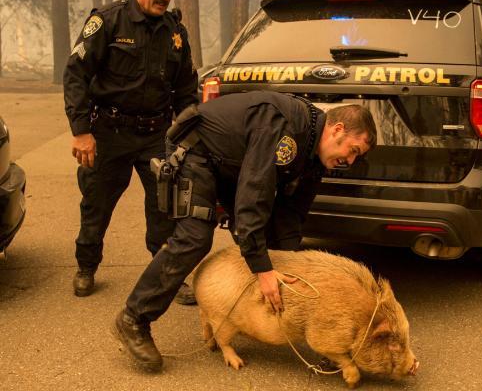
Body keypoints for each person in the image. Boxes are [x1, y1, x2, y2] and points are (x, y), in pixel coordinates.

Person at [112, 91, 377, 371]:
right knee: (194, 238)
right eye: (353, 150)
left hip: (230, 164)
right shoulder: (284, 129)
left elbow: (291, 216)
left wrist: (287, 273)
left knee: (267, 240)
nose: (349, 161)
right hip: (197, 152)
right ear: (337, 130)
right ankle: (133, 319)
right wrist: (263, 270)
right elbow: (254, 195)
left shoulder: (314, 154)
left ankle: (252, 313)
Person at [63, 0, 198, 304]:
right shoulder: (108, 21)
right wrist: (81, 131)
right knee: (96, 203)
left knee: (165, 207)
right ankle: (86, 266)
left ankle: (166, 274)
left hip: (156, 134)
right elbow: (76, 74)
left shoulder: (176, 33)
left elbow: (185, 90)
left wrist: (187, 138)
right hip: (109, 130)